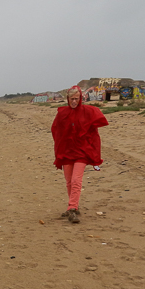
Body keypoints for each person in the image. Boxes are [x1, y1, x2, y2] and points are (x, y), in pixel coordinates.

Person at [51, 86, 109, 223]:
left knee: (76, 180)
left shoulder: (88, 111)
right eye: (72, 99)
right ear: (68, 99)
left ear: (80, 98)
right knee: (69, 181)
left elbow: (95, 129)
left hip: (82, 151)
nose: (74, 101)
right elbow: (56, 131)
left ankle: (72, 208)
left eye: (77, 98)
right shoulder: (62, 113)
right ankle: (74, 206)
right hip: (67, 151)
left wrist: (90, 144)